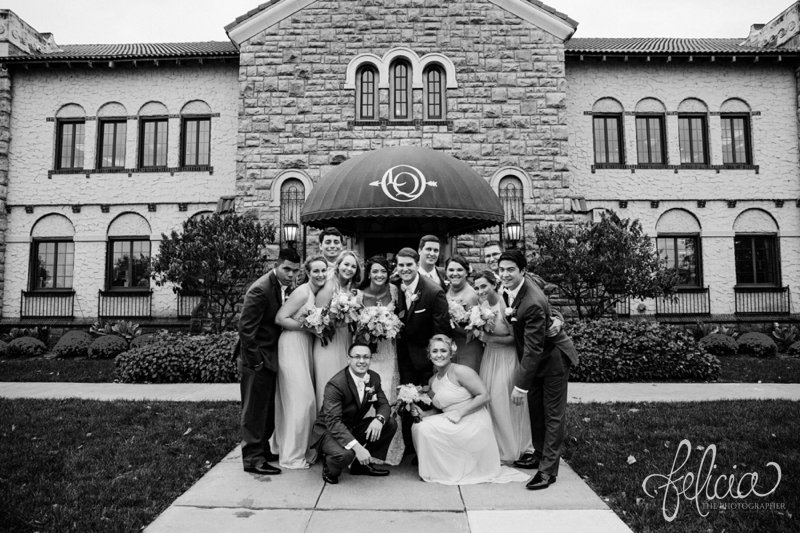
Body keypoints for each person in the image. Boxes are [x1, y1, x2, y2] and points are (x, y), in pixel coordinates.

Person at [500, 250, 579, 491]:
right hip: (535, 361)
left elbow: (533, 348)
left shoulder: (531, 301)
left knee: (552, 415)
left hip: (553, 360)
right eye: (502, 269)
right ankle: (539, 453)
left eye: (510, 269)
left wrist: (520, 386)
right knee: (535, 411)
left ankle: (547, 471)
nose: (505, 274)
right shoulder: (511, 287)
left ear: (522, 271)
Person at [411, 335, 528, 485]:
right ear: (429, 354)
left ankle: (442, 472)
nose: (439, 355)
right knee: (419, 425)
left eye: (443, 350)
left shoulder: (461, 371)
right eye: (434, 351)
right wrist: (424, 414)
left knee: (424, 429)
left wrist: (460, 413)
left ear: (451, 353)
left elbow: (484, 396)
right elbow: (439, 409)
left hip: (472, 419)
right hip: (452, 418)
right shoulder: (432, 380)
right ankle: (437, 470)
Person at [236, 247, 301, 476]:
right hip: (256, 359)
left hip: (270, 357)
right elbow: (246, 330)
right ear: (276, 264)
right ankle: (252, 459)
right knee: (254, 410)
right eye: (286, 269)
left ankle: (262, 449)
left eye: (295, 271)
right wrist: (255, 363)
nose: (291, 275)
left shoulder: (284, 286)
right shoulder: (260, 290)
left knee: (267, 408)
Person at [309, 343, 398, 485]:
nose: (362, 361)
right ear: (348, 359)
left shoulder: (373, 378)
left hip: (352, 426)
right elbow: (333, 422)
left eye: (366, 357)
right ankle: (329, 465)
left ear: (370, 359)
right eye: (357, 357)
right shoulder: (336, 385)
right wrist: (358, 448)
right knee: (346, 454)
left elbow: (383, 405)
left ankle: (360, 466)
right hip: (329, 431)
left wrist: (379, 419)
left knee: (390, 423)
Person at [272, 255, 329, 469]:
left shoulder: (315, 293)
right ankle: (291, 456)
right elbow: (280, 318)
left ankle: (288, 446)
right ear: (307, 272)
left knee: (302, 401)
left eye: (323, 270)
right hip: (291, 346)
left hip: (304, 347)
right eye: (316, 271)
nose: (320, 274)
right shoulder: (302, 292)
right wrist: (308, 327)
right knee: (302, 402)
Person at [473, 270, 533, 464]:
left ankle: (511, 449)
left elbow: (515, 338)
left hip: (506, 359)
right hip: (489, 358)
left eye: (484, 286)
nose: (480, 290)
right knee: (489, 403)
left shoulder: (504, 305)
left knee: (502, 403)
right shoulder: (481, 305)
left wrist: (490, 339)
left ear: (494, 285)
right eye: (476, 287)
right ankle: (494, 446)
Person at [358, 255, 404, 465]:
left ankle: (387, 448)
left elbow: (402, 317)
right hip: (368, 353)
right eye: (375, 271)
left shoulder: (395, 291)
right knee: (367, 393)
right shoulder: (358, 294)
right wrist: (367, 330)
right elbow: (354, 326)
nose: (379, 275)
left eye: (383, 271)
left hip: (388, 351)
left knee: (386, 391)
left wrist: (390, 326)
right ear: (368, 273)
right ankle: (364, 445)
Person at [313, 249, 363, 407]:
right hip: (329, 342)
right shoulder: (329, 286)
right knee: (329, 381)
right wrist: (338, 316)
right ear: (338, 265)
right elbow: (318, 319)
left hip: (345, 340)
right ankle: (325, 425)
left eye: (353, 266)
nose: (349, 269)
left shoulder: (349, 288)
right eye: (346, 264)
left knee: (343, 384)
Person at [445, 255, 483, 372]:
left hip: (468, 348)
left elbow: (476, 331)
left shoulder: (471, 296)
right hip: (452, 347)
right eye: (451, 270)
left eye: (459, 270)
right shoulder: (448, 289)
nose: (455, 273)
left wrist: (448, 323)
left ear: (467, 272)